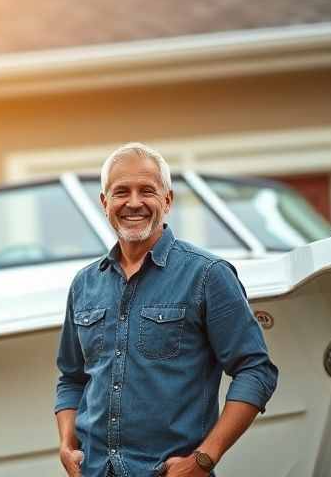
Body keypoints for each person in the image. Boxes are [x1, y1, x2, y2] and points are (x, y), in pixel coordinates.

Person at [54, 143, 278, 477]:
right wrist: (67, 445)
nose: (133, 202)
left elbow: (256, 370)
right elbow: (71, 378)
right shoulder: (85, 284)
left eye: (147, 190)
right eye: (121, 192)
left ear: (167, 200)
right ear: (105, 203)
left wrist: (204, 458)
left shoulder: (207, 275)